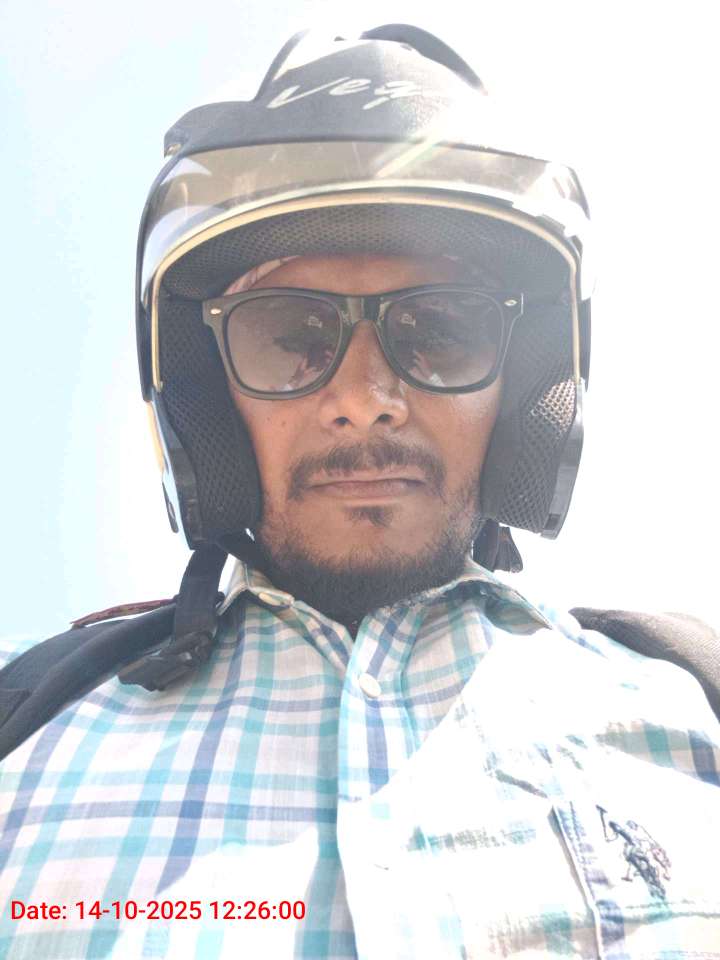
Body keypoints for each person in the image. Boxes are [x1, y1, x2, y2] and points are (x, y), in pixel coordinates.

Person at [1, 23, 719, 960]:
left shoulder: (694, 706)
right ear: (207, 399)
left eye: (442, 330)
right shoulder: (24, 723)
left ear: (525, 392)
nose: (364, 399)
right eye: (289, 336)